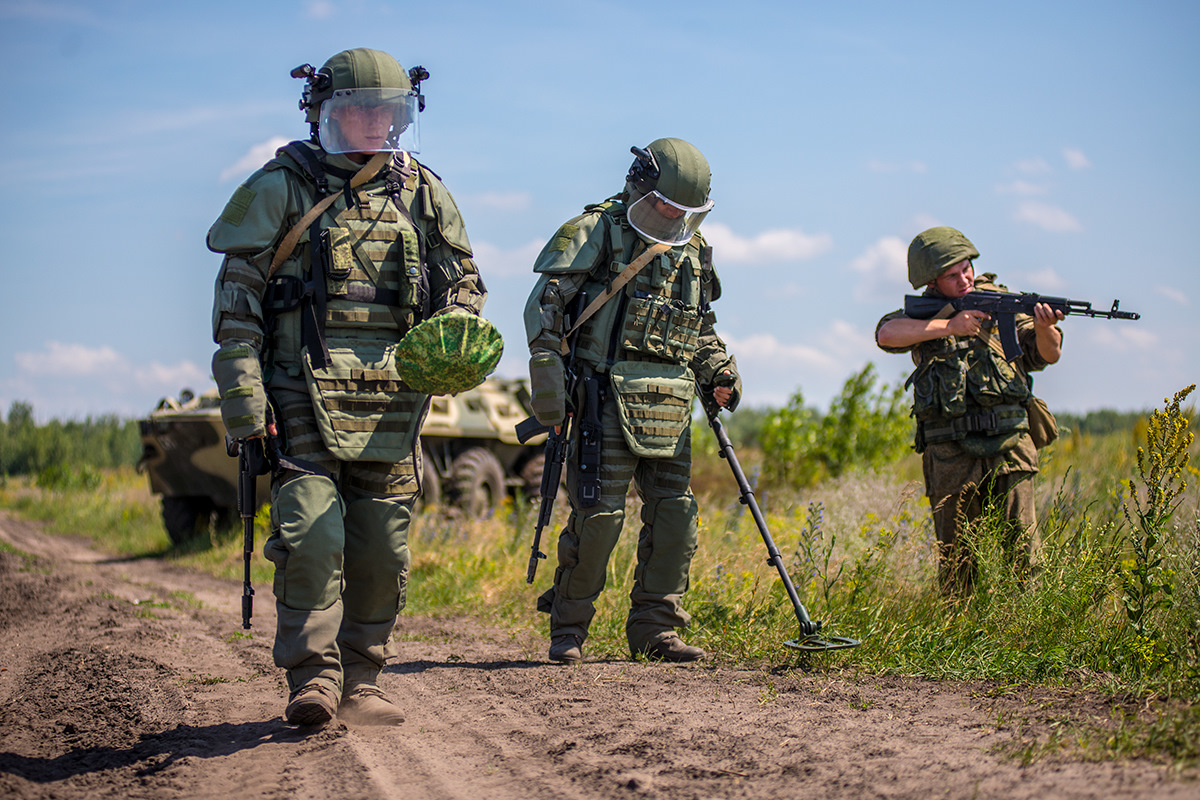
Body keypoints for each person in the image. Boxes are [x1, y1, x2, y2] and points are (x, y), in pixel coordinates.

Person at [207, 48, 486, 726]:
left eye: (387, 112)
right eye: (357, 109)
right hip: (298, 390)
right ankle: (314, 677)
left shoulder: (422, 191)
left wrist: (452, 335)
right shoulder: (282, 187)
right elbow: (237, 305)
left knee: (382, 548)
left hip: (393, 397)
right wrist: (246, 402)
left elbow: (465, 287)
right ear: (323, 112)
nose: (372, 123)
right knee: (310, 535)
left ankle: (363, 678)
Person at [523, 137, 740, 664]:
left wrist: (720, 369)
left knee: (676, 516)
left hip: (671, 403)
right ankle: (569, 629)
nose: (673, 217)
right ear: (640, 184)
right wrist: (549, 374)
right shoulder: (597, 230)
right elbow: (546, 306)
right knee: (599, 517)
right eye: (666, 204)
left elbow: (700, 326)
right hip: (602, 396)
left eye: (687, 212)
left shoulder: (693, 249)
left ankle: (656, 628)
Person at [875, 226, 1063, 595]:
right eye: (952, 275)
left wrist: (1046, 328)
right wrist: (949, 325)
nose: (964, 279)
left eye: (966, 269)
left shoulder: (1001, 301)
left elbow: (1048, 354)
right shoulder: (927, 316)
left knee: (1024, 557)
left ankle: (1025, 637)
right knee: (958, 564)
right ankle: (960, 637)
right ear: (931, 281)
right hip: (949, 452)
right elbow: (886, 333)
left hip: (1010, 446)